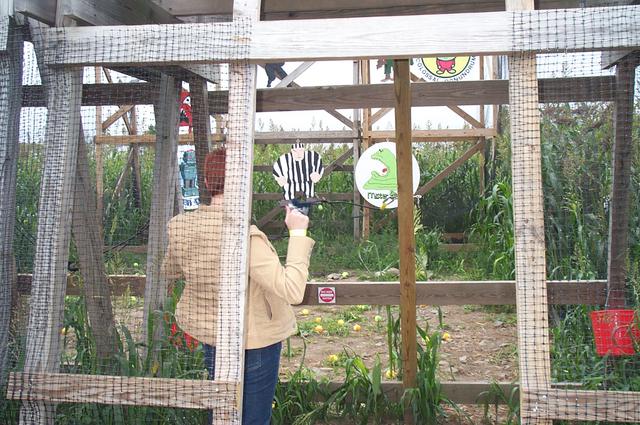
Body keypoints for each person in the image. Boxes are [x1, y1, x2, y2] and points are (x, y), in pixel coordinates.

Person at [162, 148, 314, 424]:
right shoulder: (245, 237)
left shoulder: (180, 227)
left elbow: (169, 271)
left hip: (212, 338)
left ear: (206, 182)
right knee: (253, 419)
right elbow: (292, 289)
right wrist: (298, 231)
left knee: (222, 412)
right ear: (242, 183)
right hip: (254, 343)